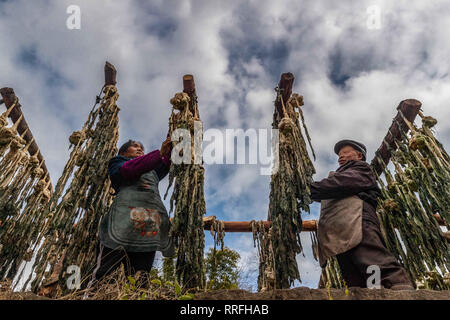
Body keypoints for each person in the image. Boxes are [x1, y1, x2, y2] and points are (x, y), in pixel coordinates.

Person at [311, 139, 414, 290]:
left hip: (358, 218)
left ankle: (397, 285)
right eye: (339, 155)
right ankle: (366, 291)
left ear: (359, 155)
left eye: (345, 153)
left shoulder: (360, 169)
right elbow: (329, 189)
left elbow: (341, 184)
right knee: (352, 268)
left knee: (369, 255)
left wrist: (310, 188)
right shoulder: (340, 175)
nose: (341, 157)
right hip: (342, 226)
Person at [88, 136, 174, 285]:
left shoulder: (153, 170)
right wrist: (159, 153)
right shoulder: (117, 163)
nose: (140, 148)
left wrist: (175, 138)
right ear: (123, 152)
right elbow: (129, 170)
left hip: (149, 223)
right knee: (105, 273)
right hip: (121, 221)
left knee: (140, 277)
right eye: (135, 146)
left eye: (141, 147)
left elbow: (169, 160)